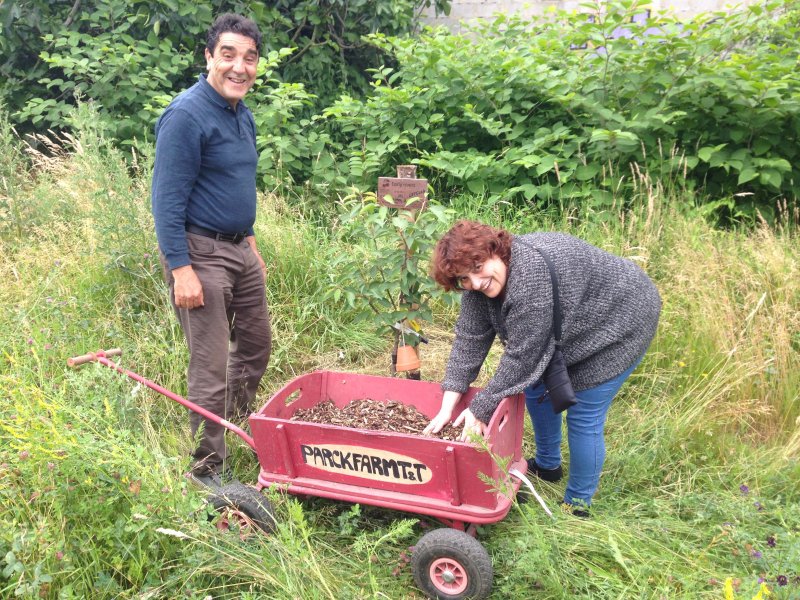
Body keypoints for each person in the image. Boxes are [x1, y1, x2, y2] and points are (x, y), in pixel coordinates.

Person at [423, 220, 660, 515]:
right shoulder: (476, 287)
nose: (476, 281)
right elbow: (469, 341)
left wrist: (480, 407)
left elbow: (523, 357)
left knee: (584, 414)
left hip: (619, 320)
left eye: (478, 267)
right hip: (568, 324)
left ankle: (577, 504)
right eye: (464, 278)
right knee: (535, 389)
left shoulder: (529, 278)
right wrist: (449, 405)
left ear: (495, 250)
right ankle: (548, 466)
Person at [151, 13, 271, 489]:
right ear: (208, 57)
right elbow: (166, 200)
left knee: (256, 346)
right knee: (211, 361)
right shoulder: (186, 115)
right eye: (229, 54)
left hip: (239, 249)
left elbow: (238, 183)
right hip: (199, 252)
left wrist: (252, 244)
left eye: (249, 57)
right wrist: (181, 268)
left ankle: (232, 427)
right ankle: (207, 471)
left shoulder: (242, 114)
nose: (239, 67)